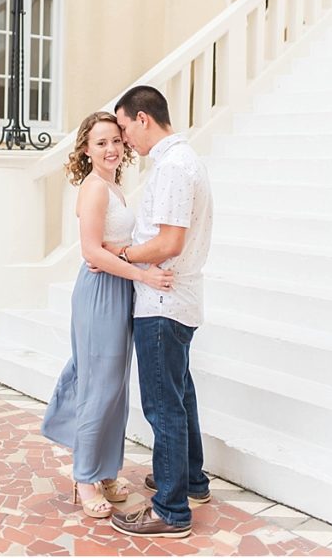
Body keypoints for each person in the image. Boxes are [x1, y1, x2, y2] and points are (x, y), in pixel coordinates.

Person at [42, 111, 173, 519]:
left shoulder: (114, 187)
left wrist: (123, 260)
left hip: (120, 290)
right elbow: (90, 251)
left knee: (115, 387)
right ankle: (85, 477)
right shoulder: (95, 188)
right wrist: (142, 275)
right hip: (100, 292)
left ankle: (106, 471)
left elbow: (110, 245)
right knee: (98, 385)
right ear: (86, 149)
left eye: (116, 140)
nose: (112, 148)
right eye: (101, 143)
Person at [105, 85, 213, 539]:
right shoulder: (186, 160)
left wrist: (125, 255)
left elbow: (169, 242)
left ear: (143, 119)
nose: (125, 139)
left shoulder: (172, 167)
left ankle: (171, 510)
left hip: (163, 301)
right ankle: (191, 481)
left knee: (162, 405)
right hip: (181, 299)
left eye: (126, 128)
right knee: (180, 394)